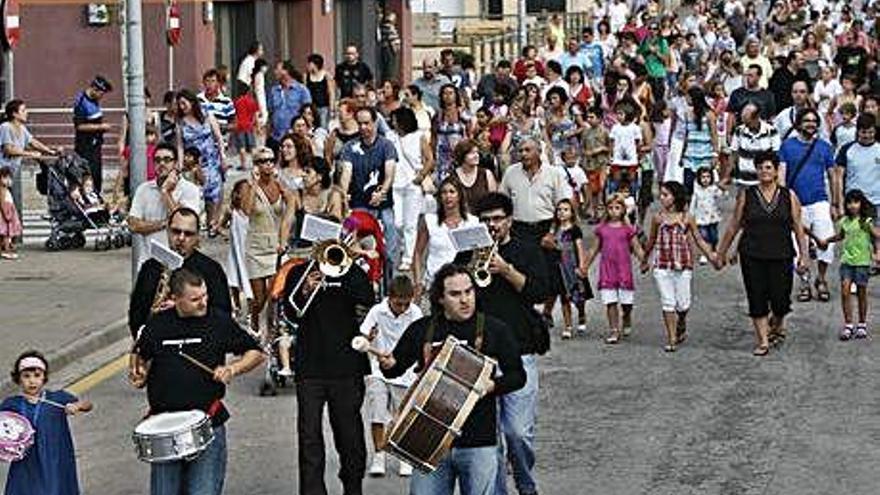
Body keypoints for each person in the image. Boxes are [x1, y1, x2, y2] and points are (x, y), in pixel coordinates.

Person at [378, 264, 526, 495]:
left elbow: (518, 376)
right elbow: (393, 370)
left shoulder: (495, 330)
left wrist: (491, 385)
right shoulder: (422, 329)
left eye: (469, 292)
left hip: (479, 441)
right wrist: (386, 363)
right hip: (427, 442)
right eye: (455, 294)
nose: (465, 300)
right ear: (439, 299)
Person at [129, 269, 265, 495]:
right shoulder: (157, 325)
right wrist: (140, 373)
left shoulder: (218, 321)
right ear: (175, 299)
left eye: (205, 295)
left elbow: (256, 352)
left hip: (206, 422)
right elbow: (141, 357)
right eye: (195, 299)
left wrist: (232, 368)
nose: (203, 303)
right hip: (164, 425)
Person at [451, 192, 549, 495]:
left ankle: (525, 482)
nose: (492, 225)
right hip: (479, 358)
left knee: (517, 433)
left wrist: (506, 270)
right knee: (487, 440)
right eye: (485, 220)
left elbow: (539, 292)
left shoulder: (527, 250)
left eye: (497, 219)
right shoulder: (467, 255)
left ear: (509, 220)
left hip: (520, 353)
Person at [283, 242, 375, 495]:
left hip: (347, 367)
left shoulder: (352, 272)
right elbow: (290, 314)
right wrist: (305, 289)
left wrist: (352, 266)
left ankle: (353, 487)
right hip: (310, 366)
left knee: (350, 436)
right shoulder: (298, 273)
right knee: (309, 438)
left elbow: (367, 300)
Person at [716, 151, 809, 356]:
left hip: (782, 254)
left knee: (781, 299)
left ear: (776, 171)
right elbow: (734, 226)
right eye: (760, 167)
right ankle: (763, 340)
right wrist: (721, 252)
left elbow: (798, 227)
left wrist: (804, 255)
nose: (764, 171)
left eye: (768, 167)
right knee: (756, 296)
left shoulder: (788, 196)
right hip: (752, 253)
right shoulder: (747, 195)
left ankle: (777, 325)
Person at [128, 206, 232, 339]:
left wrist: (185, 309)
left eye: (188, 234)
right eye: (176, 232)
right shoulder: (151, 267)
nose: (181, 238)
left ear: (197, 237)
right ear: (168, 231)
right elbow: (136, 313)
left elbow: (222, 315)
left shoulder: (211, 270)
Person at [1, 351, 93, 495]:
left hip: (54, 456)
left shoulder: (57, 398)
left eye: (37, 376)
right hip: (27, 460)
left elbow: (87, 405)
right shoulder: (12, 404)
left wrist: (77, 406)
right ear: (18, 379)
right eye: (26, 376)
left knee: (54, 487)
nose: (32, 381)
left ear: (44, 377)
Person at [642, 182, 717, 352]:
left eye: (665, 195)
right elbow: (652, 240)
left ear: (675, 197)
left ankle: (681, 320)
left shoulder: (686, 217)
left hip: (682, 265)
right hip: (662, 265)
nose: (662, 198)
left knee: (683, 303)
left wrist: (712, 256)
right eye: (661, 194)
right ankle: (671, 337)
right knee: (667, 301)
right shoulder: (658, 218)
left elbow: (698, 239)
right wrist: (645, 259)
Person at [359, 275, 421, 477]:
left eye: (406, 304)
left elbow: (421, 342)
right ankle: (378, 455)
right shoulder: (376, 312)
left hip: (405, 372)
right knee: (378, 413)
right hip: (377, 370)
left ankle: (404, 457)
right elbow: (362, 337)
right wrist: (368, 338)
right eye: (398, 304)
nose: (403, 308)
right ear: (389, 298)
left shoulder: (415, 313)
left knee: (402, 417)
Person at [778, 108, 839, 303]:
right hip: (796, 204)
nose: (811, 124)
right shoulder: (787, 146)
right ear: (798, 123)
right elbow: (782, 174)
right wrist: (782, 202)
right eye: (807, 121)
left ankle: (821, 280)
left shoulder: (824, 147)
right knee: (798, 246)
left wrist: (836, 203)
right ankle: (804, 282)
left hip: (820, 200)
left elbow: (833, 175)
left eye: (814, 121)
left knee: (825, 242)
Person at [239, 147, 296, 340]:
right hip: (255, 247)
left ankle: (272, 331)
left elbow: (292, 207)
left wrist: (284, 239)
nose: (267, 164)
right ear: (256, 165)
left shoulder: (280, 185)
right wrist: (254, 184)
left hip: (274, 247)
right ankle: (254, 317)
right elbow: (246, 210)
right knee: (259, 298)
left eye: (270, 160)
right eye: (262, 161)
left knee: (274, 293)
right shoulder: (249, 186)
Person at [339, 107, 399, 274]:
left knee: (390, 227)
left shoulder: (387, 146)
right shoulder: (350, 147)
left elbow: (389, 174)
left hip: (383, 204)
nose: (363, 127)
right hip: (358, 203)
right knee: (347, 231)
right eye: (360, 124)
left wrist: (382, 192)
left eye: (367, 123)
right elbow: (346, 174)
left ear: (375, 123)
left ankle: (390, 268)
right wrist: (343, 195)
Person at [815, 189, 880, 340]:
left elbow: (876, 236)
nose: (852, 206)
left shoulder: (865, 222)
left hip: (862, 262)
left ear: (861, 204)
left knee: (861, 292)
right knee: (845, 291)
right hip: (847, 261)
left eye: (856, 202)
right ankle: (849, 324)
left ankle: (862, 323)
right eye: (849, 202)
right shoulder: (845, 221)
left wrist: (877, 252)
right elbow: (840, 236)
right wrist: (827, 241)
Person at [583, 193, 646, 344]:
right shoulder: (601, 229)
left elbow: (636, 247)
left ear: (623, 210)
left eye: (617, 208)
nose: (613, 211)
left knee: (627, 303)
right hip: (607, 271)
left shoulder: (628, 229)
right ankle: (614, 329)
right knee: (610, 302)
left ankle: (627, 316)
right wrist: (585, 265)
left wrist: (644, 261)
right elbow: (593, 249)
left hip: (624, 270)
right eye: (610, 208)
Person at [128, 143, 202, 269]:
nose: (161, 164)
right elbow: (133, 225)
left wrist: (165, 192)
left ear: (176, 164)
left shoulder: (190, 190)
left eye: (167, 160)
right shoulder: (144, 189)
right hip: (148, 263)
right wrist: (164, 223)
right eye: (157, 160)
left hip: (180, 265)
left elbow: (184, 224)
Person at [411, 177, 479, 301]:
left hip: (463, 284)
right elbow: (417, 253)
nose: (448, 196)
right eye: (444, 192)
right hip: (434, 282)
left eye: (452, 192)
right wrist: (418, 282)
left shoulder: (473, 222)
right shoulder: (430, 221)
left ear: (459, 195)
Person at [176, 89, 225, 236]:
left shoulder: (206, 115)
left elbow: (218, 137)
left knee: (214, 193)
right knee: (197, 194)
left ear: (191, 102)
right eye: (179, 104)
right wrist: (180, 164)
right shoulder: (180, 123)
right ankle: (196, 224)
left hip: (211, 160)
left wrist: (223, 156)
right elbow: (180, 145)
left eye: (184, 103)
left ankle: (213, 223)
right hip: (193, 163)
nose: (182, 106)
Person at [388, 107, 432, 271]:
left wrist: (421, 176)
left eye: (395, 120)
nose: (393, 123)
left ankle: (408, 257)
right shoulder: (390, 137)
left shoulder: (418, 137)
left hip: (412, 185)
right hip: (395, 184)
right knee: (397, 222)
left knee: (410, 224)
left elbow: (429, 159)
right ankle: (403, 246)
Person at [0, 99, 59, 215]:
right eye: (23, 110)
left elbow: (33, 142)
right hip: (2, 172)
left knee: (15, 204)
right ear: (14, 114)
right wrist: (30, 154)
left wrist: (50, 151)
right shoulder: (5, 127)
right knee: (4, 205)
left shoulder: (22, 129)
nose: (26, 113)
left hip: (13, 172)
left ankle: (15, 231)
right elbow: (8, 149)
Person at [546, 198, 592, 339]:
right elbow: (550, 245)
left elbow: (579, 248)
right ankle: (568, 326)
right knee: (564, 297)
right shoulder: (554, 229)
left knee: (579, 297)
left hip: (572, 267)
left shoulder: (574, 230)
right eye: (559, 210)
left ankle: (582, 315)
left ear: (572, 213)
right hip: (559, 268)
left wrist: (582, 266)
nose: (562, 213)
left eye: (565, 210)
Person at [73, 76, 113, 193]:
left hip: (95, 146)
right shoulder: (81, 102)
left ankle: (96, 199)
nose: (102, 97)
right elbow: (79, 126)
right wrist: (100, 127)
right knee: (87, 178)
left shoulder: (94, 100)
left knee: (96, 177)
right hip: (85, 148)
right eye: (101, 93)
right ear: (95, 89)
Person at [728, 103, 781, 187]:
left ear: (756, 117)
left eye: (748, 122)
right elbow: (734, 153)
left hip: (763, 181)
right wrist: (728, 175)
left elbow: (776, 156)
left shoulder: (771, 131)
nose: (746, 125)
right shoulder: (739, 130)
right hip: (743, 180)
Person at [267, 61, 312, 152]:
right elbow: (270, 113)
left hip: (295, 138)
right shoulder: (274, 91)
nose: (275, 72)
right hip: (276, 137)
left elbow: (308, 114)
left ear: (286, 71)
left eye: (277, 69)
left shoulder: (301, 90)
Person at [690, 167, 725, 264]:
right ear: (699, 179)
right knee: (703, 236)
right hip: (700, 218)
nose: (705, 179)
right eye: (703, 177)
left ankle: (713, 249)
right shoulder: (697, 191)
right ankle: (704, 253)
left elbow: (722, 196)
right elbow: (693, 204)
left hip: (712, 217)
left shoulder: (713, 189)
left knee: (714, 236)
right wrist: (690, 216)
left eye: (708, 177)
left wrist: (722, 188)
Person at [451, 138, 497, 211]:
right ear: (462, 155)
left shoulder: (486, 174)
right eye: (472, 153)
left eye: (477, 152)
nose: (476, 156)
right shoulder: (453, 177)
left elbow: (494, 201)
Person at [198, 69, 237, 141]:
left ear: (218, 84)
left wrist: (220, 127)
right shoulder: (198, 100)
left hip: (220, 143)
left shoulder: (226, 101)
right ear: (203, 83)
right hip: (201, 142)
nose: (209, 84)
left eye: (212, 81)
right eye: (207, 81)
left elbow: (234, 124)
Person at [232, 81, 259, 170]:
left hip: (240, 127)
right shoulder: (251, 101)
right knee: (252, 147)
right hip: (249, 126)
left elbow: (235, 116)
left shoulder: (237, 102)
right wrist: (256, 126)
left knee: (242, 147)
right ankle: (255, 164)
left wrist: (235, 126)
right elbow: (255, 115)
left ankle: (243, 165)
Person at [305, 53, 336, 128]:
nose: (307, 65)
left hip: (323, 106)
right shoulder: (306, 76)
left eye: (309, 63)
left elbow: (331, 92)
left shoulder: (326, 76)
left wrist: (331, 108)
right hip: (312, 106)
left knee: (323, 126)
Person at [0, 166, 21, 259]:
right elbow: (2, 203)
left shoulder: (6, 189)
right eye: (5, 177)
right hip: (5, 215)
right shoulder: (2, 190)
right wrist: (6, 214)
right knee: (6, 234)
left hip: (9, 212)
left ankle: (6, 248)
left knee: (7, 234)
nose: (8, 180)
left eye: (9, 178)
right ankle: (6, 250)